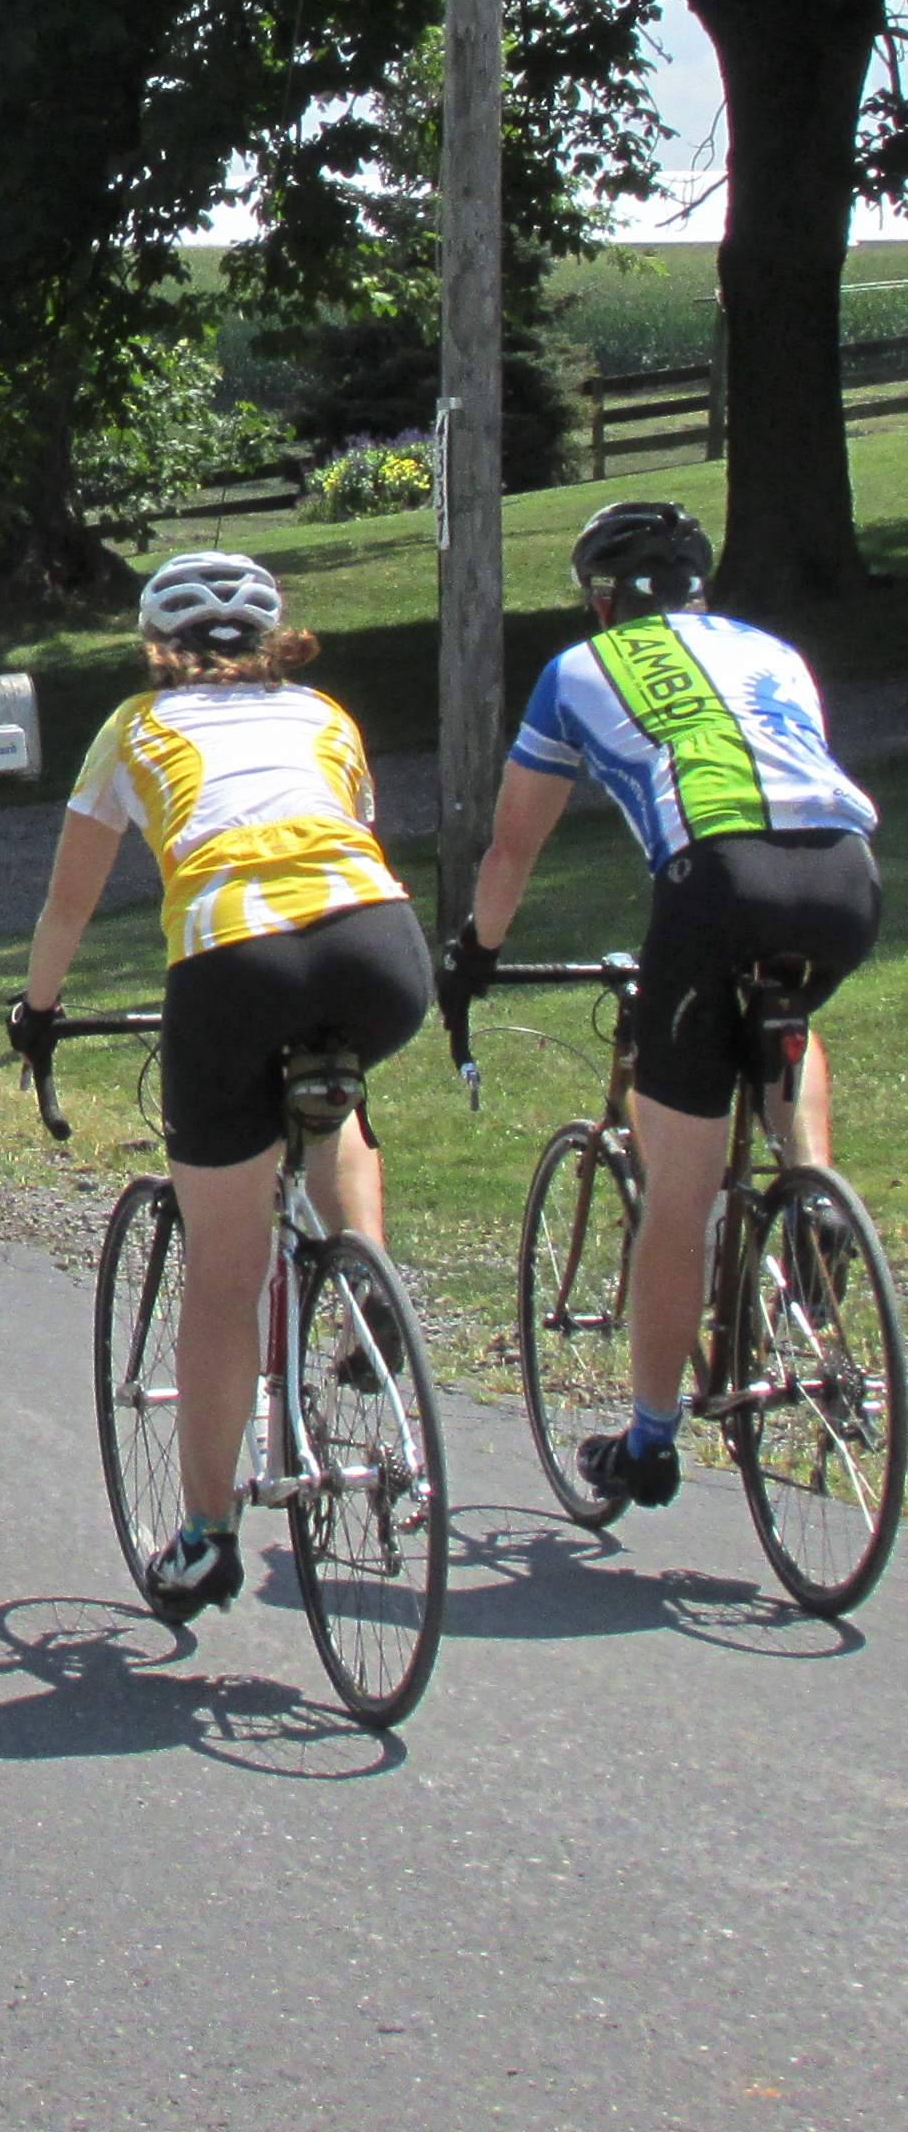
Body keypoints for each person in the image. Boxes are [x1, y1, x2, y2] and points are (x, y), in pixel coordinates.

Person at [7, 552, 428, 1620]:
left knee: (225, 1275)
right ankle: (364, 1280)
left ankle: (202, 1537)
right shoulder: (325, 713)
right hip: (379, 943)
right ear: (273, 636)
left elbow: (67, 907)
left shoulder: (136, 727)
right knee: (333, 1094)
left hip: (234, 956)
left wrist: (39, 1014)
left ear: (156, 645)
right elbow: (352, 830)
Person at [449, 501, 881, 1511]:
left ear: (602, 598)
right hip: (847, 872)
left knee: (677, 1192)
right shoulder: (775, 652)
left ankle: (648, 1441)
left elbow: (513, 846)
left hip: (716, 875)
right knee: (787, 1008)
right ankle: (810, 1186)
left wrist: (476, 954)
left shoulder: (575, 672)